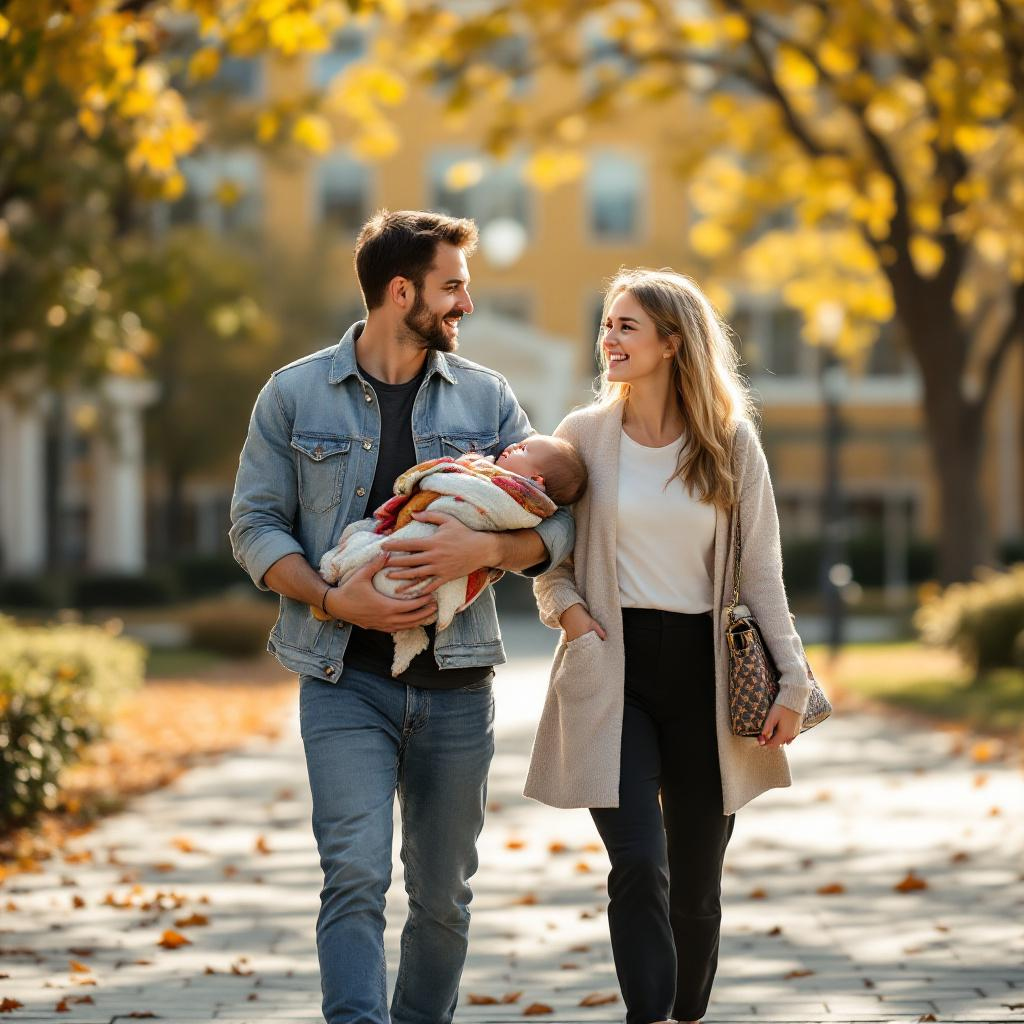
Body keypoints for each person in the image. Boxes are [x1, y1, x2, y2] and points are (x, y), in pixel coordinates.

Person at [228, 209, 574, 1024]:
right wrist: (327, 593)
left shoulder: (487, 398)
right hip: (342, 678)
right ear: (399, 291)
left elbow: (555, 520)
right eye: (452, 287)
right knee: (353, 875)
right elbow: (254, 523)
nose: (466, 304)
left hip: (456, 687)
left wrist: (483, 555)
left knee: (443, 896)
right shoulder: (293, 394)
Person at [527, 268, 812, 1024]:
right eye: (607, 323)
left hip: (708, 676)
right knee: (639, 862)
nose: (609, 337)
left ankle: (686, 1012)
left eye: (627, 325)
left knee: (695, 881)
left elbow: (762, 572)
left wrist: (792, 685)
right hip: (612, 669)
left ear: (670, 342)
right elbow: (549, 560)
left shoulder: (729, 441)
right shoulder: (582, 436)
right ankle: (646, 1017)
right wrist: (572, 616)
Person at [314, 435, 588, 676]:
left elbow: (561, 525)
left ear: (535, 481)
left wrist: (486, 548)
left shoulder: (515, 497)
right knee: (373, 542)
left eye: (523, 449)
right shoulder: (492, 471)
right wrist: (330, 601)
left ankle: (339, 568)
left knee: (381, 550)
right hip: (343, 663)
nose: (513, 445)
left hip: (456, 661)